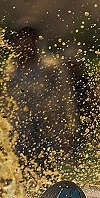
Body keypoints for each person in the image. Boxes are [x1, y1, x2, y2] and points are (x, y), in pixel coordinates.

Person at [7, 26, 77, 166]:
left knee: (48, 172)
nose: (25, 44)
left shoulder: (50, 68)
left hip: (49, 130)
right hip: (22, 133)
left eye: (28, 39)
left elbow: (66, 98)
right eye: (21, 40)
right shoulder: (12, 72)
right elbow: (5, 104)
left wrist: (69, 131)